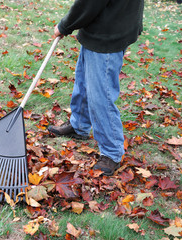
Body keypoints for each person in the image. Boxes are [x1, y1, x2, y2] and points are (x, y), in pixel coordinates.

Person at [48, 0, 144, 176]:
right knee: (85, 80)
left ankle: (112, 151)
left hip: (109, 31)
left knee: (101, 95)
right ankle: (79, 125)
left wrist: (65, 25)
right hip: (107, 25)